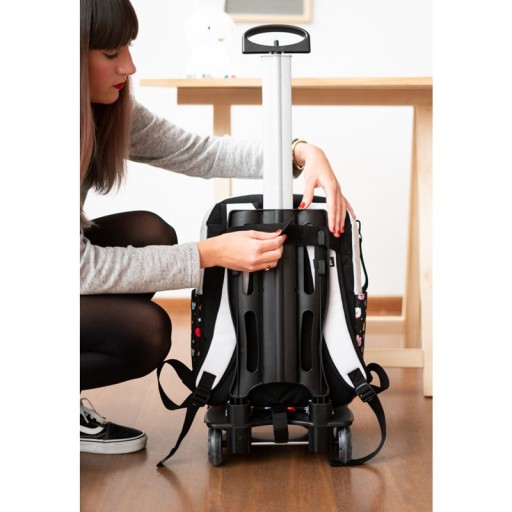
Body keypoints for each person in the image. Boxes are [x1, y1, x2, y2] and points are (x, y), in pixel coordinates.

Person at [80, 0, 354, 455]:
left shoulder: (102, 110)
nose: (129, 65)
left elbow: (201, 152)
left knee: (149, 232)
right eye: (111, 54)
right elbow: (79, 269)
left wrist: (301, 151)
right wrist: (209, 254)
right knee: (144, 332)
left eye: (127, 47)